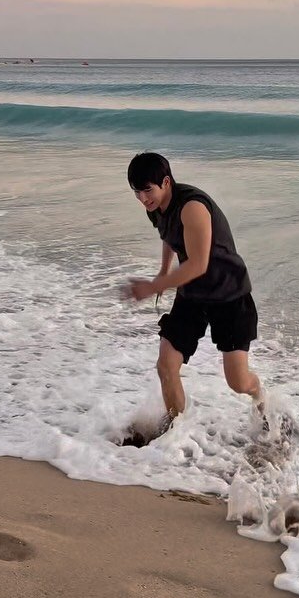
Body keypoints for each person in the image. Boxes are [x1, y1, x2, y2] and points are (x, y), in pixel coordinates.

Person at [126, 152, 263, 421]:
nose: (142, 198)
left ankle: (262, 399)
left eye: (147, 190)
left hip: (229, 294)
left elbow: (198, 265)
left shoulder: (192, 207)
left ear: (166, 182)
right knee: (166, 366)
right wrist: (164, 269)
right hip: (193, 294)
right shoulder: (156, 206)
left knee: (238, 382)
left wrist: (154, 286)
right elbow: (168, 235)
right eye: (136, 192)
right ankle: (175, 432)